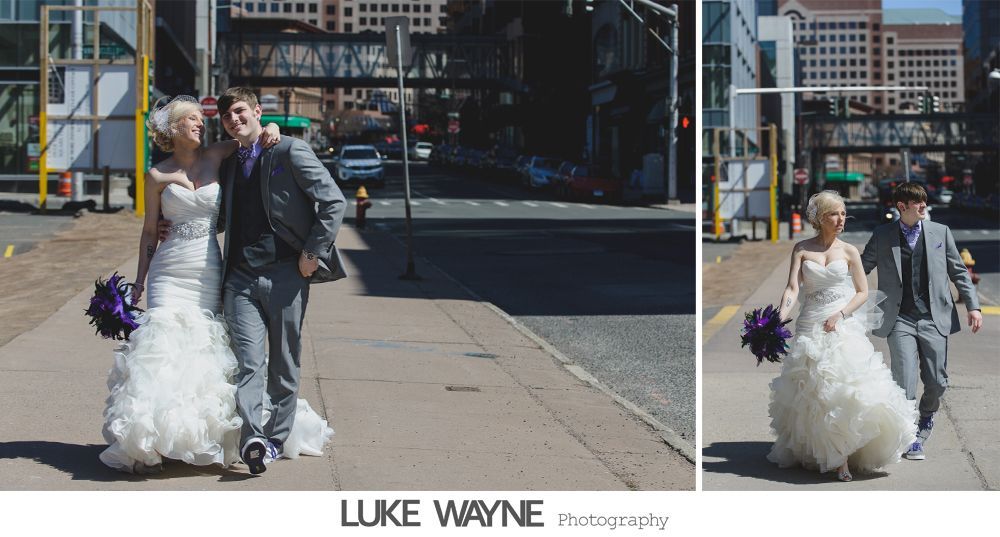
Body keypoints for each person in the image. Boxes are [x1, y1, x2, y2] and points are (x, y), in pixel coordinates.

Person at [100, 96, 331, 474]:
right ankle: (157, 438)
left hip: (208, 270)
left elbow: (251, 139)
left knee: (207, 350)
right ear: (172, 130)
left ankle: (206, 435)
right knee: (164, 348)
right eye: (191, 119)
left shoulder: (217, 155)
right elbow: (148, 232)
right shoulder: (156, 176)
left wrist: (272, 128)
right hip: (168, 272)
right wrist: (139, 281)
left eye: (200, 119)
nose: (200, 124)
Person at [215, 87, 347, 475]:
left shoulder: (289, 150)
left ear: (256, 110)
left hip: (288, 273)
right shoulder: (228, 162)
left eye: (240, 111)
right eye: (226, 116)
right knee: (248, 363)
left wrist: (311, 254)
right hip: (238, 279)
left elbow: (333, 202)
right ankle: (254, 438)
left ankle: (275, 439)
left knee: (284, 363)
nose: (234, 120)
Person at [768, 190, 917, 482]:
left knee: (843, 389)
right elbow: (793, 290)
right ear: (819, 218)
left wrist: (841, 315)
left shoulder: (849, 251)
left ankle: (842, 458)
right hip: (811, 323)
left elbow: (862, 292)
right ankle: (825, 449)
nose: (841, 220)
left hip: (841, 324)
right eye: (834, 214)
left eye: (844, 214)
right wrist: (780, 316)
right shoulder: (801, 249)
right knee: (814, 392)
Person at [861, 182, 982, 461]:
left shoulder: (941, 232)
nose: (923, 206)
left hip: (933, 317)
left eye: (924, 201)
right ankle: (911, 436)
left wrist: (973, 307)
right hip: (899, 318)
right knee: (903, 381)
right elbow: (860, 269)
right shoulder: (882, 235)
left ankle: (926, 417)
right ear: (902, 207)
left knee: (937, 382)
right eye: (917, 203)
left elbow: (959, 272)